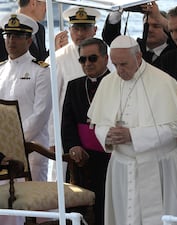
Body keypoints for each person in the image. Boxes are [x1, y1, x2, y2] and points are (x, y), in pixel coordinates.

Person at [87, 35, 177, 225]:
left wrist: (132, 135)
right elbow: (97, 123)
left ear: (139, 57)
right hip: (122, 165)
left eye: (124, 64)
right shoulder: (108, 82)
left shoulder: (164, 82)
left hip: (158, 165)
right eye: (115, 64)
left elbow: (175, 128)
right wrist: (107, 134)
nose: (119, 71)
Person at [46, 6, 102, 181]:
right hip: (67, 132)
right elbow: (51, 103)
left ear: (95, 29)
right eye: (75, 28)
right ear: (69, 29)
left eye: (84, 28)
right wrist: (53, 139)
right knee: (64, 183)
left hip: (99, 134)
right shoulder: (57, 60)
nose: (80, 33)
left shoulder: (106, 57)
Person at [61, 38, 111, 225]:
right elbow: (67, 121)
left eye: (92, 58)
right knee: (77, 212)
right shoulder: (74, 85)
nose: (87, 63)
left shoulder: (117, 83)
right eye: (83, 60)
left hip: (109, 158)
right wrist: (73, 146)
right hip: (80, 157)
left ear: (106, 58)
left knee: (105, 208)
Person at [0, 13, 52, 182]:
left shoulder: (41, 71)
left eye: (17, 36)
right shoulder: (1, 70)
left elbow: (41, 114)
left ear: (29, 40)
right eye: (8, 36)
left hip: (32, 149)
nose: (11, 41)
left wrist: (14, 140)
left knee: (35, 205)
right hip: (2, 151)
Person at [102, 1, 176, 67]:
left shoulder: (176, 50)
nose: (150, 30)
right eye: (147, 25)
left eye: (156, 26)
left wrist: (158, 17)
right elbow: (110, 38)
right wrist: (119, 9)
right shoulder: (136, 48)